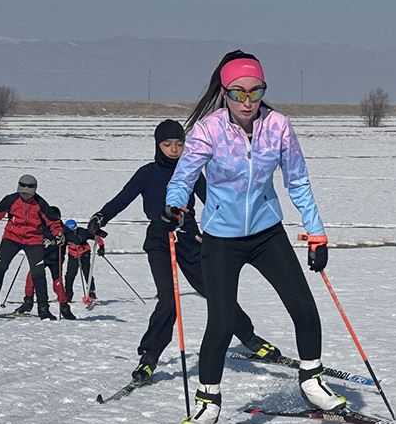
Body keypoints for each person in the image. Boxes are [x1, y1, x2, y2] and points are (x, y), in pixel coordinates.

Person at [165, 51, 342, 424]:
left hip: (266, 233)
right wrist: (174, 207)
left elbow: (297, 181)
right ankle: (208, 403)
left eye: (255, 91)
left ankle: (311, 379)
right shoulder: (208, 130)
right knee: (222, 321)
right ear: (225, 93)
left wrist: (317, 233)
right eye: (237, 92)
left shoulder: (277, 126)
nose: (247, 101)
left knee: (303, 306)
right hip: (221, 239)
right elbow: (182, 179)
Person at [91, 118, 284, 386]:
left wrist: (241, 220)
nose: (173, 149)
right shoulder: (147, 173)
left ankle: (249, 337)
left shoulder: (191, 171)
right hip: (159, 240)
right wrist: (100, 218)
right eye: (167, 144)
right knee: (168, 301)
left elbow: (214, 201)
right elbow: (122, 200)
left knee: (216, 293)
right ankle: (148, 357)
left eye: (179, 144)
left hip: (189, 238)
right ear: (158, 145)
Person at [0, 174, 63, 320]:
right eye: (22, 193)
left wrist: (58, 234)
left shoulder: (40, 203)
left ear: (34, 191)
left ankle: (43, 308)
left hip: (34, 240)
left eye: (29, 194)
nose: (25, 196)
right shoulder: (10, 200)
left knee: (38, 273)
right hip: (11, 238)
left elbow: (53, 221)